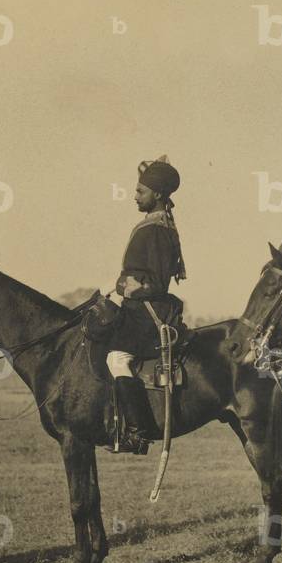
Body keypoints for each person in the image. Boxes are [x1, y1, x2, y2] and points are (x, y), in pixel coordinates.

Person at [104, 156, 187, 454]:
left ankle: (138, 433)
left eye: (140, 192)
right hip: (137, 306)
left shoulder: (157, 229)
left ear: (158, 195)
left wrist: (133, 288)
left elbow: (158, 283)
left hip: (149, 312)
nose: (134, 196)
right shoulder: (153, 224)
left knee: (116, 359)